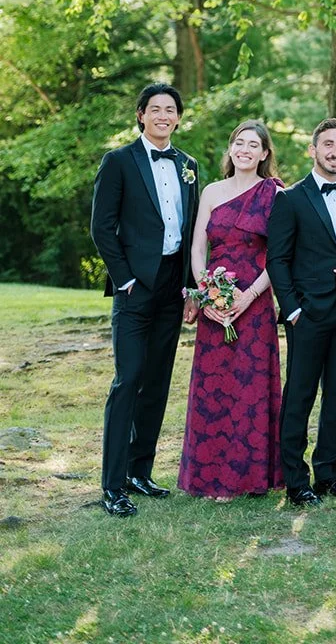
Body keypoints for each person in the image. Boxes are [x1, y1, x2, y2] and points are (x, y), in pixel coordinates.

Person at [90, 82, 200, 517]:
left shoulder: (189, 164)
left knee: (156, 383)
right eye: (154, 109)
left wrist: (192, 288)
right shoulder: (118, 161)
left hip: (174, 288)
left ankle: (140, 472)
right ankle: (112, 486)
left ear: (177, 117)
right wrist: (125, 280)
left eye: (170, 109)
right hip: (135, 288)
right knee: (128, 380)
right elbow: (102, 226)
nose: (162, 116)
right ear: (141, 115)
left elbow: (193, 232)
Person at [266, 117, 336, 507]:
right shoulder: (290, 198)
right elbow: (277, 260)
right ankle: (296, 480)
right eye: (329, 145)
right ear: (313, 150)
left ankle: (329, 474)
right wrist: (293, 310)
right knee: (299, 396)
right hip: (308, 315)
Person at [179, 120, 284, 497]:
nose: (245, 150)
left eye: (253, 145)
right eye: (239, 142)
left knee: (250, 390)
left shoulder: (274, 194)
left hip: (254, 304)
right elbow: (196, 249)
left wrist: (249, 296)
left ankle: (251, 479)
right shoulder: (211, 191)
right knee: (214, 389)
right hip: (214, 304)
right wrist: (207, 294)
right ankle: (208, 479)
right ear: (231, 148)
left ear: (264, 154)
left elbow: (279, 255)